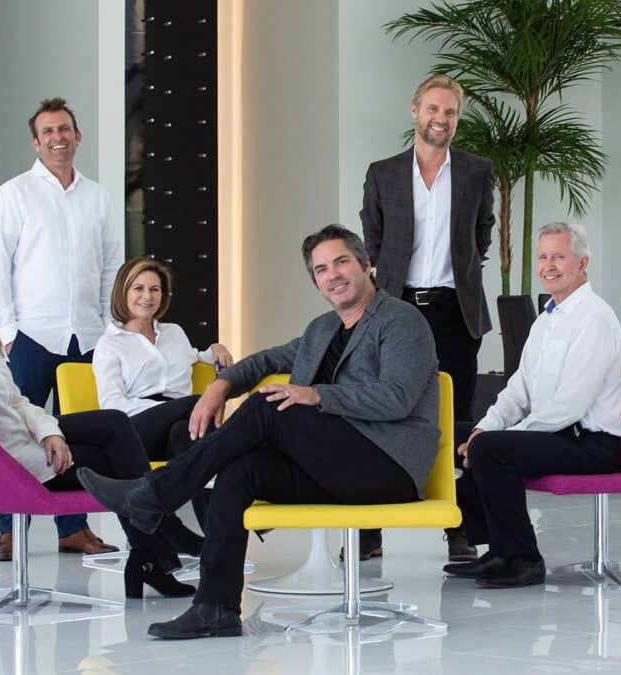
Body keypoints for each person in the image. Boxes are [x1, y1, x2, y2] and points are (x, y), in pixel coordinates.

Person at [77, 225, 440, 639]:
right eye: (321, 269)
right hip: (336, 469)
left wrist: (316, 394)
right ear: (316, 281)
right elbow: (266, 360)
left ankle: (153, 495)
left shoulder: (400, 320)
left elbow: (397, 397)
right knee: (240, 470)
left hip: (387, 466)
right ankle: (215, 608)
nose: (333, 275)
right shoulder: (323, 329)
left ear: (365, 265)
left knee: (271, 405)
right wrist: (220, 385)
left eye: (341, 262)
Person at [0, 253, 197, 599]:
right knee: (116, 458)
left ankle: (149, 553)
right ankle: (154, 547)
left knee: (114, 424)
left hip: (25, 438)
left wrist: (49, 431)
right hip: (7, 459)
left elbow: (17, 402)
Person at [442, 223, 621, 589]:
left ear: (582, 263)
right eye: (542, 257)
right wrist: (484, 428)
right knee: (449, 436)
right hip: (555, 434)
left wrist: (494, 438)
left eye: (559, 256)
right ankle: (498, 549)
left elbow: (570, 406)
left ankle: (524, 559)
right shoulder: (546, 319)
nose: (548, 266)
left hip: (590, 443)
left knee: (489, 448)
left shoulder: (595, 318)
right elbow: (518, 390)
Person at [360, 73, 495, 562]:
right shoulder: (384, 173)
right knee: (380, 414)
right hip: (397, 311)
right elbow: (373, 241)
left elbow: (482, 233)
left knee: (456, 423)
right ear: (415, 111)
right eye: (434, 109)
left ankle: (459, 530)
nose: (441, 119)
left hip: (456, 312)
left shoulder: (477, 171)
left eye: (450, 112)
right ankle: (369, 531)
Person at [0, 97, 123, 561]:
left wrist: (108, 328)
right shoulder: (15, 193)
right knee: (15, 431)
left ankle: (73, 528)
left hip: (86, 337)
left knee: (78, 436)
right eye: (47, 131)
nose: (57, 138)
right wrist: (7, 332)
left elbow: (111, 268)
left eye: (64, 129)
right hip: (30, 337)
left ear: (77, 137)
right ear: (36, 142)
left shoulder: (98, 197)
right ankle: (10, 530)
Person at [92, 257, 234, 525]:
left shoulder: (174, 333)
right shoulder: (109, 344)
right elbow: (112, 405)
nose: (147, 296)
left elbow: (193, 357)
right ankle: (238, 480)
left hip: (184, 423)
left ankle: (217, 535)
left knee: (188, 435)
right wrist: (168, 410)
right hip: (135, 430)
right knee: (197, 407)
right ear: (123, 292)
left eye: (154, 289)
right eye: (138, 288)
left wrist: (216, 348)